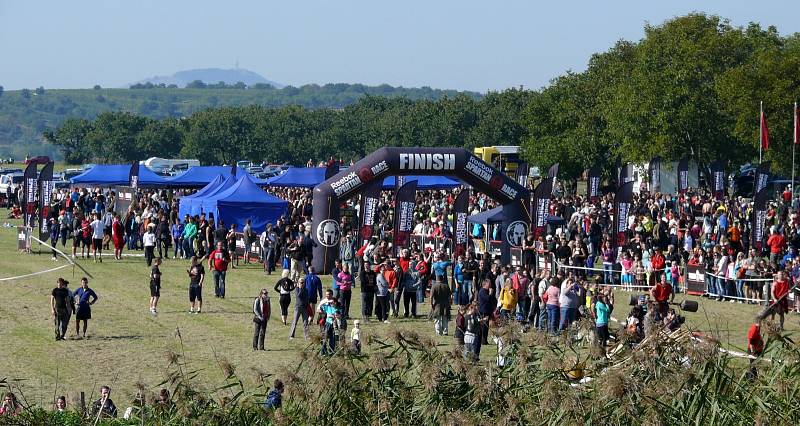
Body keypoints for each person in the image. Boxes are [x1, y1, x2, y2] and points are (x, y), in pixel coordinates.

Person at [289, 275, 310, 340]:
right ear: (298, 283)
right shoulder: (297, 289)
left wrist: (308, 306)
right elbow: (299, 296)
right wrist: (300, 288)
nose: (302, 283)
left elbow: (307, 298)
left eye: (303, 282)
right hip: (298, 307)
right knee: (295, 321)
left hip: (305, 307)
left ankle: (306, 336)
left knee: (305, 322)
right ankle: (292, 335)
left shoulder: (306, 290)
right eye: (301, 282)